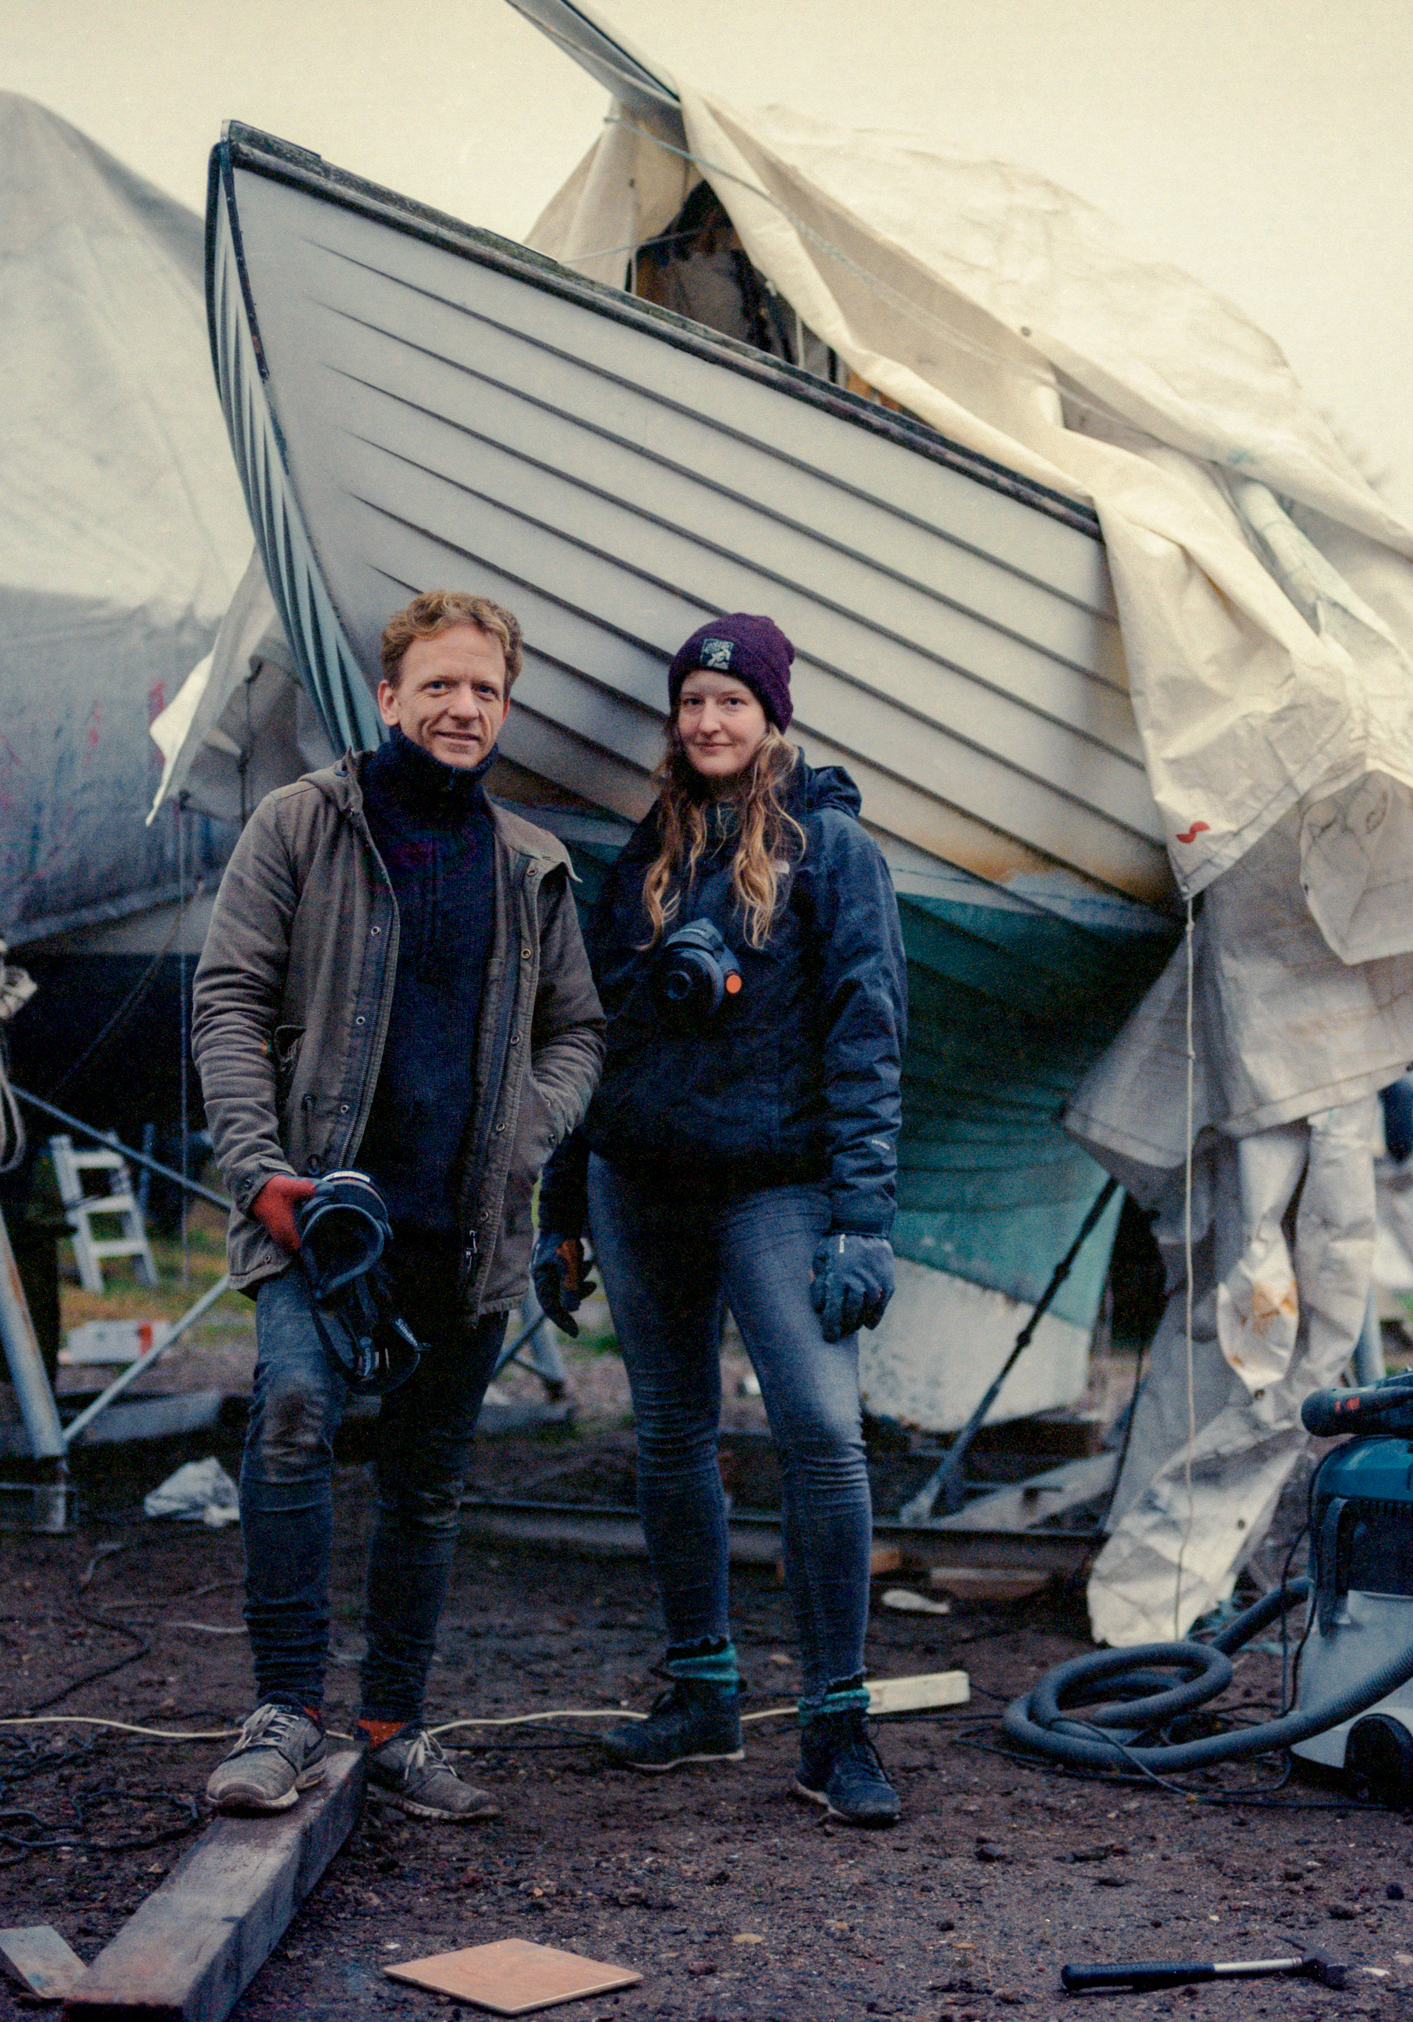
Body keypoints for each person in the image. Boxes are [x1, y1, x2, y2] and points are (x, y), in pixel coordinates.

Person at [192, 589, 604, 1819]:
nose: (462, 706)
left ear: (503, 707)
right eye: (438, 684)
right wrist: (261, 1171)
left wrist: (523, 1131)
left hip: (464, 1228)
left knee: (426, 1481)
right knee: (296, 1415)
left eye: (483, 688)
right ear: (387, 698)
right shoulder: (301, 825)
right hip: (314, 1216)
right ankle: (281, 1714)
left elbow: (579, 1029)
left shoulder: (530, 863)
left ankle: (391, 1726)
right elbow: (225, 1002)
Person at [539, 612, 908, 1825]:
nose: (708, 721)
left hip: (776, 1186)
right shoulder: (643, 853)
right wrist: (560, 1210)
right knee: (670, 1434)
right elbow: (585, 1039)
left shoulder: (833, 850)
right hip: (637, 1182)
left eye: (731, 702)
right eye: (692, 702)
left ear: (773, 716)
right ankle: (701, 1695)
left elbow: (868, 1035)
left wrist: (862, 1218)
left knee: (819, 1432)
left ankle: (836, 1726)